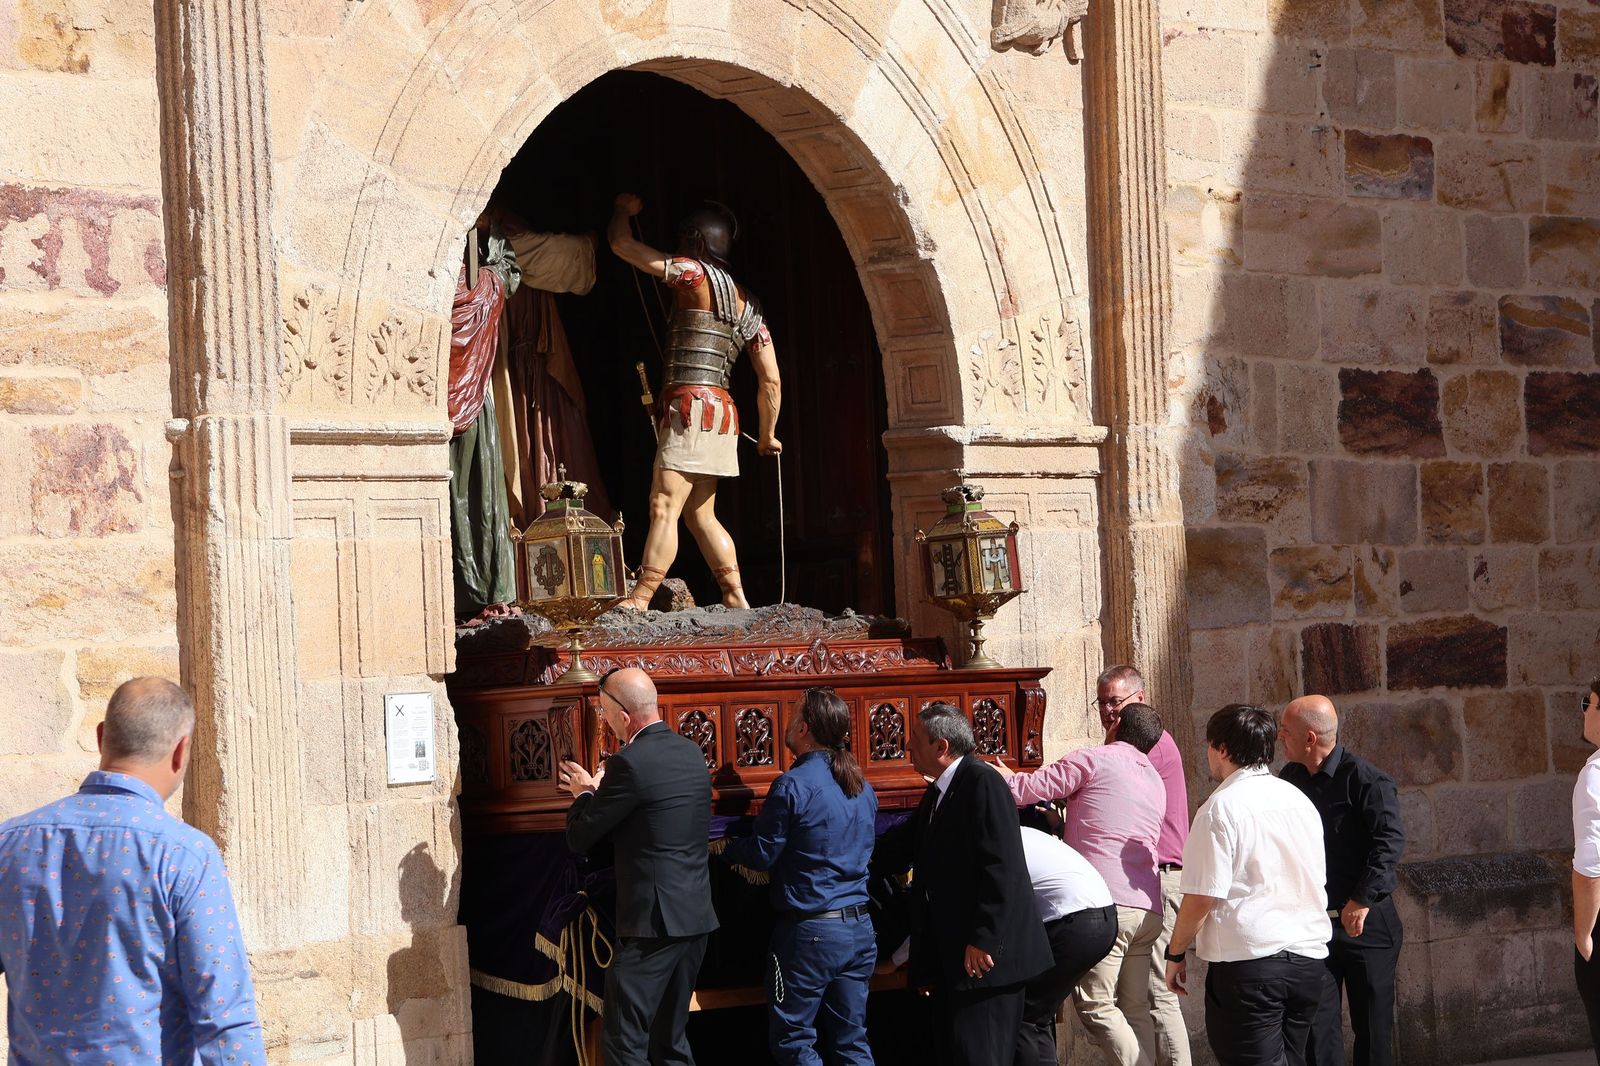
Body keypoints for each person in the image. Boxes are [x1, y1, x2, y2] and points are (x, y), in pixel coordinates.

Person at [0, 677, 267, 1065]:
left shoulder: (11, 843)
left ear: (101, 737)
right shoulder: (184, 856)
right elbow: (225, 1020)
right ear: (181, 751)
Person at [608, 193, 782, 610]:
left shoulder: (692, 274)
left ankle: (641, 597)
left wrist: (622, 213)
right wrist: (767, 435)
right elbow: (771, 380)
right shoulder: (750, 306)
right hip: (722, 416)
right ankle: (735, 595)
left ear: (697, 243)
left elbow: (622, 247)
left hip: (689, 410)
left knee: (664, 504)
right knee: (701, 515)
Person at [872, 702, 1051, 1066]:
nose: (907, 747)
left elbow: (1002, 867)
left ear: (941, 747)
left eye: (916, 740)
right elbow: (905, 851)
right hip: (956, 963)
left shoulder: (982, 782)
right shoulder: (940, 792)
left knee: (980, 1056)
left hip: (985, 963)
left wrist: (983, 937)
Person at [559, 667, 719, 1066]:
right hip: (695, 919)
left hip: (654, 927)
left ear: (623, 715)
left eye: (604, 710)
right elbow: (655, 824)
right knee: (670, 1041)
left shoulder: (628, 764)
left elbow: (581, 836)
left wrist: (584, 795)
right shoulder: (691, 752)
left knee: (623, 1041)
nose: (603, 718)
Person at [998, 701, 1165, 1066]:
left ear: (1116, 723)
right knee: (1135, 1008)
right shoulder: (1154, 777)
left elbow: (1028, 788)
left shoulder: (1096, 758)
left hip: (1110, 902)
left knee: (1096, 1006)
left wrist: (995, 775)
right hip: (1149, 906)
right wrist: (1061, 827)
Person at [1164, 704, 1329, 1066]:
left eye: (1210, 745)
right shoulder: (1300, 802)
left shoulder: (1220, 808)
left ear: (1222, 749)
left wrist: (1175, 953)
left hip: (1251, 965)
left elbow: (1202, 895)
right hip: (1307, 961)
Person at [720, 687, 878, 1065]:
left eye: (791, 718)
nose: (786, 726)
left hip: (811, 935)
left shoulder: (793, 785)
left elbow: (762, 854)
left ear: (804, 729)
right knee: (852, 1042)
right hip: (859, 929)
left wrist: (724, 847)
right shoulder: (862, 785)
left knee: (794, 1042)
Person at [1279, 695, 1406, 1066]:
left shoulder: (1368, 780)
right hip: (1314, 927)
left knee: (1373, 1030)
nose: (1280, 737)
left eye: (1286, 731)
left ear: (1310, 738)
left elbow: (1389, 843)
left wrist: (1362, 899)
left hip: (1366, 926)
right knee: (1318, 1033)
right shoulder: (1289, 780)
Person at [1096, 665, 1193, 1066]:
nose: (1108, 711)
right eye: (1101, 703)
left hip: (1162, 877)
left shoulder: (1147, 744)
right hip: (1147, 883)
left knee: (1160, 995)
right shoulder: (1124, 743)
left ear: (1140, 698)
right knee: (1140, 999)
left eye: (1116, 702)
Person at [1013, 808, 1118, 1066]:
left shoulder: (996, 840)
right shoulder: (1027, 834)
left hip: (1076, 921)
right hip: (1103, 917)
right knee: (1038, 1013)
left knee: (1021, 1012)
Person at [1572, 677, 1600, 1060]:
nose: (1585, 712)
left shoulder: (1594, 776)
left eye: (1589, 704)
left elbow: (1591, 867)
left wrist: (1584, 937)